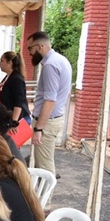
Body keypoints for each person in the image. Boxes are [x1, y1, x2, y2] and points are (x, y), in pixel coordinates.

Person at [27, 31, 72, 176]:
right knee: (43, 163)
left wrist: (39, 128)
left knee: (45, 166)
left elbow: (50, 100)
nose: (29, 53)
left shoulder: (50, 66)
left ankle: (46, 198)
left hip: (47, 123)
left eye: (30, 49)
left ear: (40, 46)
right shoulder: (61, 60)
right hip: (53, 119)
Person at [0, 51, 31, 127]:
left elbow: (19, 102)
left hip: (18, 119)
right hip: (11, 117)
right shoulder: (8, 77)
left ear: (9, 62)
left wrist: (14, 122)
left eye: (2, 61)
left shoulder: (16, 79)